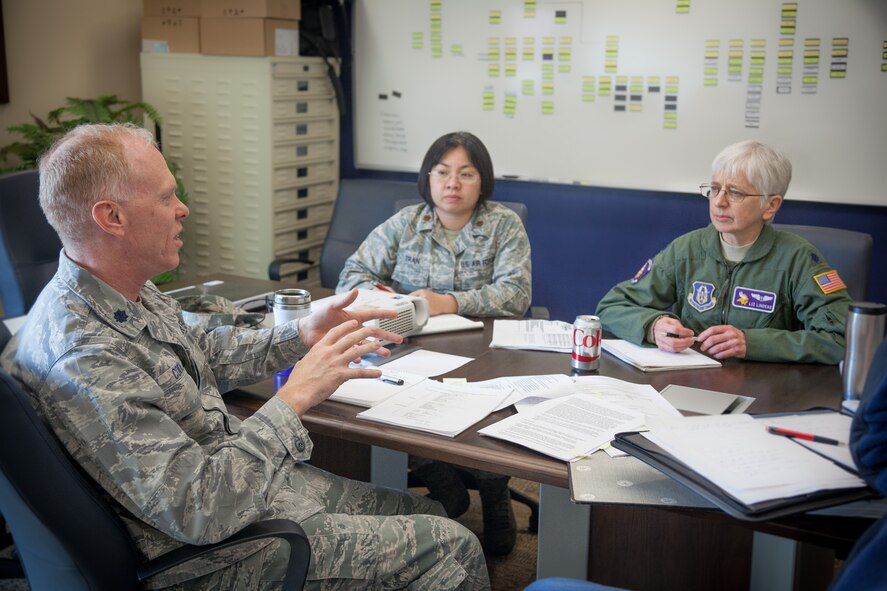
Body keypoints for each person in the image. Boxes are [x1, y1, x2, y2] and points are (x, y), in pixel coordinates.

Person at [0, 123, 490, 590]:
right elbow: (200, 508)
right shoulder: (85, 357)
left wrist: (301, 333)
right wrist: (294, 397)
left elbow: (204, 352)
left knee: (425, 515)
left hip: (242, 485)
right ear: (112, 218)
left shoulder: (119, 289)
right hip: (204, 555)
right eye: (167, 197)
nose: (183, 209)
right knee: (453, 549)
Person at [336, 131, 532, 555]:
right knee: (386, 402)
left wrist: (451, 302)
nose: (452, 184)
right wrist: (386, 298)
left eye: (466, 173)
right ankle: (438, 473)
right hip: (412, 348)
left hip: (486, 352)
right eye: (442, 172)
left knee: (489, 412)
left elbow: (516, 294)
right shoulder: (407, 222)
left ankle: (494, 487)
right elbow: (352, 275)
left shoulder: (503, 223)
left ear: (483, 181)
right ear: (428, 178)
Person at [596, 140, 850, 364]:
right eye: (715, 189)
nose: (719, 201)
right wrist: (653, 326)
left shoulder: (799, 259)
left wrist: (753, 343)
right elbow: (611, 307)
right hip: (690, 384)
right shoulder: (686, 249)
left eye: (735, 192)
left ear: (770, 206)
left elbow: (841, 339)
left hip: (765, 392)